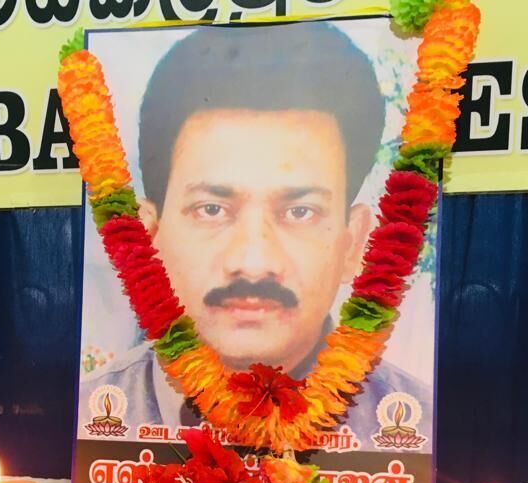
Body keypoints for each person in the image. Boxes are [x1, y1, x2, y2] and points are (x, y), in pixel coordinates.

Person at [79, 23, 433, 451]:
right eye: (211, 209)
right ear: (147, 239)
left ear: (354, 244)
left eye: (300, 212)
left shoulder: (417, 430)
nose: (252, 261)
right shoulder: (88, 418)